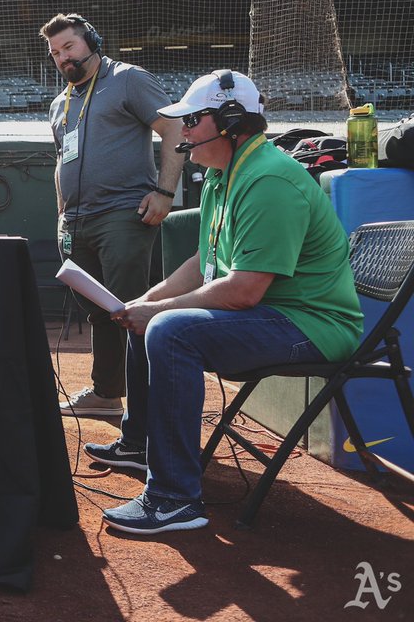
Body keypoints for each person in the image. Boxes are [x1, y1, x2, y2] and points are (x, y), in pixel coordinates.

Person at [87, 70, 363, 534]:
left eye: (193, 120)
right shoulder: (225, 174)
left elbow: (243, 290)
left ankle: (174, 499)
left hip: (311, 325)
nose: (184, 130)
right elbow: (204, 260)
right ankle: (139, 444)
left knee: (169, 329)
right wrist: (146, 300)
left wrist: (158, 312)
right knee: (143, 318)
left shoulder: (270, 179)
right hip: (274, 314)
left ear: (230, 121)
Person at [42, 13, 185, 417]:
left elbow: (174, 130)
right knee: (99, 313)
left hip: (122, 213)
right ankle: (107, 392)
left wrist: (164, 192)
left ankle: (146, 406)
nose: (62, 57)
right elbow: (60, 161)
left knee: (127, 310)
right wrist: (60, 214)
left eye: (69, 46)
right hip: (75, 222)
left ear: (92, 41)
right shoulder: (60, 101)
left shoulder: (128, 79)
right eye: (55, 52)